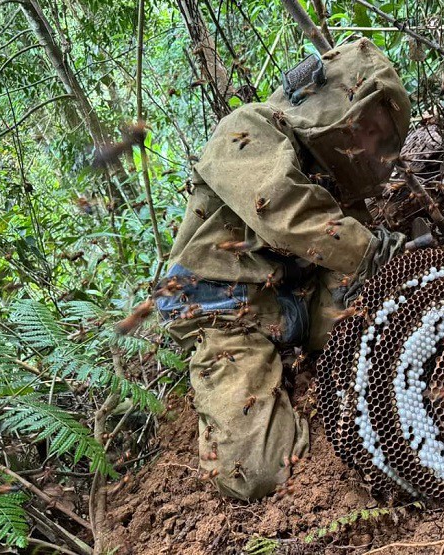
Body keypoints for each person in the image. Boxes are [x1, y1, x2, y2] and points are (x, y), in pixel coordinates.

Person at [156, 38, 411, 500]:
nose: (369, 144)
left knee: (392, 319)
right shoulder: (248, 128)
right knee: (256, 472)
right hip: (225, 316)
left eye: (379, 137)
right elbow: (282, 208)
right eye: (368, 127)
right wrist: (372, 252)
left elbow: (351, 257)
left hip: (296, 305)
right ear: (332, 99)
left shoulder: (334, 179)